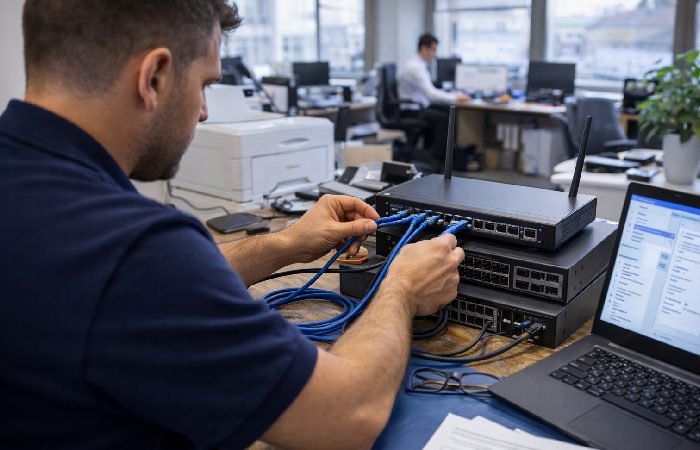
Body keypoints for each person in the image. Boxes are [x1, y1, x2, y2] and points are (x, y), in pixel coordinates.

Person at [0, 2, 464, 449]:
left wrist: (287, 244)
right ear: (154, 77)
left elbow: (152, 285)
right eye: (204, 85)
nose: (203, 111)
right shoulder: (134, 250)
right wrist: (402, 287)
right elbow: (350, 414)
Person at [398, 34, 470, 159]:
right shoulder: (415, 67)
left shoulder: (419, 65)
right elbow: (431, 95)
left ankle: (434, 153)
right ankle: (435, 156)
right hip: (412, 110)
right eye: (433, 49)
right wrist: (455, 98)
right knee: (445, 119)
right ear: (423, 49)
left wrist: (452, 95)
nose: (434, 54)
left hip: (418, 107)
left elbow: (430, 91)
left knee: (447, 111)